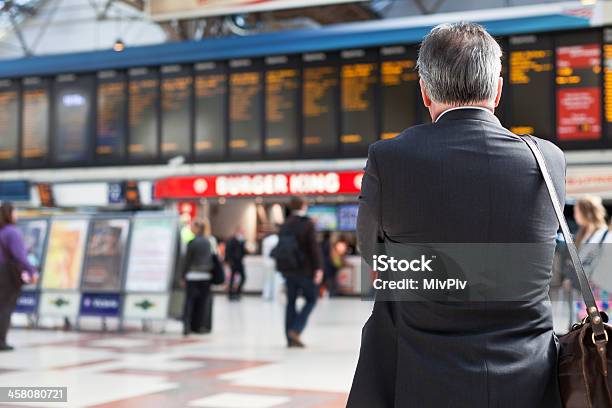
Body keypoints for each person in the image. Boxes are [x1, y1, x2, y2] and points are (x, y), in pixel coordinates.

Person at [348, 23, 565, 407]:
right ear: (497, 90)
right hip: (529, 378)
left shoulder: (390, 157)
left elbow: (372, 255)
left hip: (421, 376)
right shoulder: (547, 159)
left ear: (425, 91)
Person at [276, 196, 323, 348]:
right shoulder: (307, 224)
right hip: (305, 270)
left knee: (291, 302)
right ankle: (296, 330)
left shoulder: (285, 224)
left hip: (289, 270)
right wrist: (319, 268)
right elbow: (313, 248)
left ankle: (289, 338)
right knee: (311, 299)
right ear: (303, 205)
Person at [564, 196, 609, 321]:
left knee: (600, 326)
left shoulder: (605, 235)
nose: (575, 215)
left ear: (586, 212)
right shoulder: (582, 235)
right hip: (584, 291)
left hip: (599, 291)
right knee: (585, 328)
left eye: (577, 211)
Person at [0, 202, 37, 351]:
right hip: (7, 273)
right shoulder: (12, 232)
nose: (17, 215)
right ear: (9, 214)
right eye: (15, 211)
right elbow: (20, 256)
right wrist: (32, 271)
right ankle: (1, 341)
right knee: (5, 307)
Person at [181, 218, 217, 336]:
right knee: (202, 302)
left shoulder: (192, 243)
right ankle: (199, 326)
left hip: (192, 276)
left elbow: (187, 261)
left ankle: (187, 325)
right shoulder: (209, 242)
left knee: (189, 302)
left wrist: (182, 276)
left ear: (197, 228)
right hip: (206, 276)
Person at [226, 228, 247, 300]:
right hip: (233, 262)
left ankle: (237, 292)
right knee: (232, 279)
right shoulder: (231, 241)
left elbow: (244, 252)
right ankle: (230, 294)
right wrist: (229, 261)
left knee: (243, 277)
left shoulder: (242, 242)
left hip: (239, 262)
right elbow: (228, 251)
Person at [261, 229, 280, 301]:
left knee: (267, 280)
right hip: (274, 262)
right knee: (275, 280)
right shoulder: (277, 239)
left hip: (266, 262)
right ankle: (274, 296)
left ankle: (266, 295)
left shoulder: (265, 240)